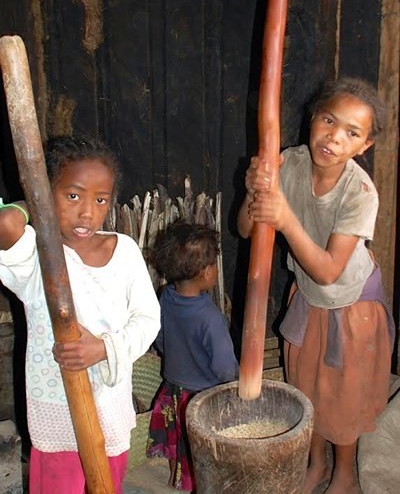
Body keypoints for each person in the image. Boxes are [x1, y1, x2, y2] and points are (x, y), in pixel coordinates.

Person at [237, 77, 395, 494]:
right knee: (307, 385)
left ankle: (344, 471)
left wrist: (284, 216)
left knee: (342, 395)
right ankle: (317, 462)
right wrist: (252, 191)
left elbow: (329, 271)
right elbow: (245, 229)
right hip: (308, 298)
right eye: (328, 120)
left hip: (351, 307)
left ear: (364, 147)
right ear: (312, 120)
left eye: (352, 133)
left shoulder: (360, 193)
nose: (334, 137)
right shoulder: (288, 162)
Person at [0, 136, 160, 494]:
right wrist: (36, 202)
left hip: (110, 410)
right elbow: (6, 224)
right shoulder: (36, 255)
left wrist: (104, 348)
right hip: (58, 417)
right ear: (47, 193)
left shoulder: (124, 251)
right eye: (73, 196)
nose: (87, 212)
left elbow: (148, 319)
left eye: (100, 199)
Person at [146, 221, 239, 492]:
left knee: (180, 445)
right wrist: (237, 380)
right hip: (203, 399)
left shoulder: (166, 297)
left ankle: (177, 478)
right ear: (206, 272)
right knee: (202, 453)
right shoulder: (210, 319)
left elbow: (160, 338)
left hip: (173, 391)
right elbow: (224, 367)